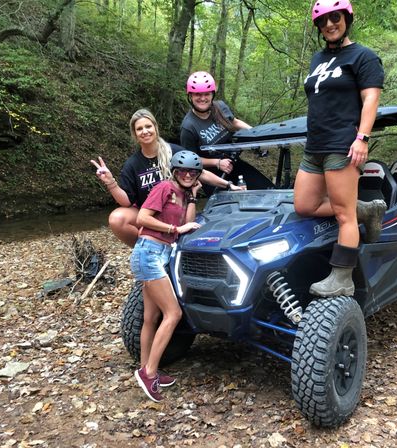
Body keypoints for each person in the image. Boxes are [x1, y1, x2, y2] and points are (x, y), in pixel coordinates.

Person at [294, 0, 386, 297]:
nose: (329, 24)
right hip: (315, 145)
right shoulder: (317, 59)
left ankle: (342, 277)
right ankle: (367, 210)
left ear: (346, 18)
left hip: (343, 145)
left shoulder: (364, 57)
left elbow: (370, 99)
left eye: (335, 17)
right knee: (304, 206)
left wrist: (362, 138)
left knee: (344, 216)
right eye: (323, 21)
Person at [91, 108, 240, 247]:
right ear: (135, 134)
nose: (145, 131)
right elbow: (126, 201)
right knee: (117, 218)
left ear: (155, 128)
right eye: (139, 129)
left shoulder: (173, 151)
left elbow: (200, 172)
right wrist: (110, 182)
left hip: (178, 207)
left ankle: (170, 243)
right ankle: (149, 249)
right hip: (149, 212)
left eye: (148, 126)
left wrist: (228, 185)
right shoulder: (133, 164)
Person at [131, 150, 203, 402]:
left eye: (192, 172)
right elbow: (142, 218)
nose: (187, 174)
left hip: (159, 254)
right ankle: (149, 373)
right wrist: (174, 228)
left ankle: (145, 368)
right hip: (148, 252)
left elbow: (189, 225)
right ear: (174, 171)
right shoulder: (164, 187)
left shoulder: (183, 194)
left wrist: (193, 196)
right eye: (182, 170)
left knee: (151, 316)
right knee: (174, 313)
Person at [180, 71, 273, 193]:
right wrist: (217, 162)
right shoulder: (188, 127)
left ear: (212, 94)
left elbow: (234, 122)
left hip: (233, 162)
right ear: (190, 96)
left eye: (206, 94)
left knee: (265, 188)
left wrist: (255, 134)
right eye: (198, 94)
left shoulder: (219, 107)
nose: (202, 98)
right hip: (212, 173)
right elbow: (190, 160)